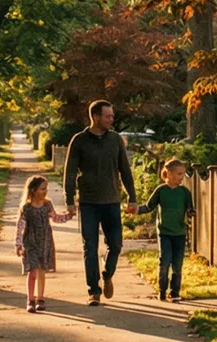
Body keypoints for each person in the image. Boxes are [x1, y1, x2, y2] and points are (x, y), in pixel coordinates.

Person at [65, 99, 136, 306]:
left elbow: (125, 170)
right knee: (90, 247)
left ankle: (107, 273)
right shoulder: (79, 141)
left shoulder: (115, 140)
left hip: (111, 200)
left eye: (112, 116)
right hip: (88, 202)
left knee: (116, 244)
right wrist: (69, 200)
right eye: (108, 116)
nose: (111, 119)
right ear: (95, 117)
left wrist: (132, 197)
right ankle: (93, 291)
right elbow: (70, 173)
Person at [134, 158, 195, 301]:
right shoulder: (161, 190)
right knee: (165, 262)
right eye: (179, 174)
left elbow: (189, 208)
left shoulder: (185, 192)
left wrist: (191, 212)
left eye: (183, 173)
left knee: (177, 264)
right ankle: (162, 290)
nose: (182, 177)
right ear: (169, 174)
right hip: (164, 233)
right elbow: (149, 206)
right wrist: (136, 210)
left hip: (179, 233)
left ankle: (175, 292)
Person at [16, 175, 70, 312]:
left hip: (45, 242)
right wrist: (18, 244)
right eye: (42, 189)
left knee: (41, 271)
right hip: (30, 243)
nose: (45, 191)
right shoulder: (26, 208)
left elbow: (56, 218)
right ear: (33, 190)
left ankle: (40, 298)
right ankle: (30, 300)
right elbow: (20, 226)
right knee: (32, 271)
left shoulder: (47, 205)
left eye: (46, 188)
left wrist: (69, 215)